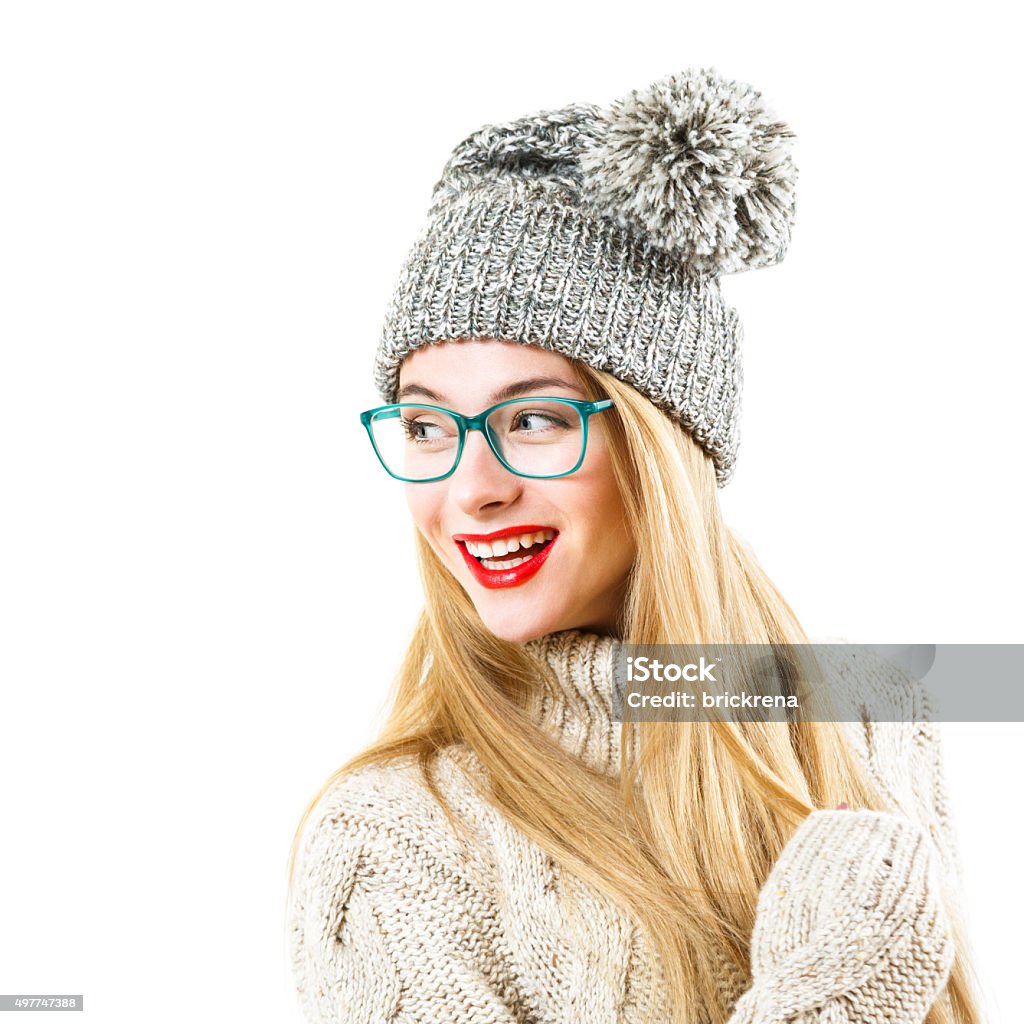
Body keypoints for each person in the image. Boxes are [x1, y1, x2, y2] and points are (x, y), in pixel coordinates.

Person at [285, 68, 983, 1024]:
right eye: (425, 428)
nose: (469, 489)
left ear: (660, 443)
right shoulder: (388, 842)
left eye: (531, 419)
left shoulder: (869, 718)